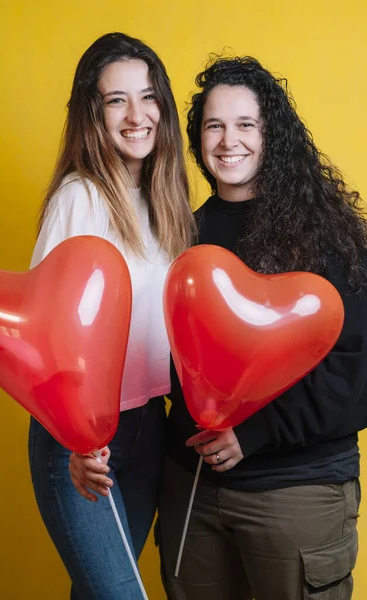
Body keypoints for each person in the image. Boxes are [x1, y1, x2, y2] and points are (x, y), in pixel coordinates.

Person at [158, 55, 367, 600]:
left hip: (294, 491)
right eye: (214, 125)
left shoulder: (328, 235)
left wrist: (254, 433)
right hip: (192, 492)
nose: (229, 141)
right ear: (198, 137)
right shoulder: (184, 234)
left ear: (272, 134)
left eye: (246, 124)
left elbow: (356, 373)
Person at [29, 32, 195, 600]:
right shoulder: (79, 198)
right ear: (92, 114)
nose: (136, 115)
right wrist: (76, 441)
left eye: (147, 97)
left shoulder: (165, 203)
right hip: (81, 441)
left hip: (149, 426)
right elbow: (43, 333)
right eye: (115, 99)